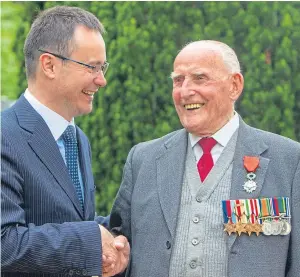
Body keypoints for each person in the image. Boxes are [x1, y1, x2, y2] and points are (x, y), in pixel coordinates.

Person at [109, 40, 300, 277]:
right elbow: (118, 243)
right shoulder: (143, 159)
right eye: (178, 80)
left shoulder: (289, 160)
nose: (185, 91)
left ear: (234, 85)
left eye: (200, 78)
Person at [1, 6, 129, 277]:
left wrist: (115, 237)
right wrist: (92, 240)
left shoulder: (76, 139)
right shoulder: (5, 136)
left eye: (102, 67)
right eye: (92, 67)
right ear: (49, 65)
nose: (102, 80)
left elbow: (70, 221)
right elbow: (5, 245)